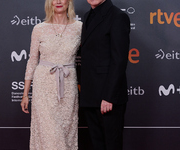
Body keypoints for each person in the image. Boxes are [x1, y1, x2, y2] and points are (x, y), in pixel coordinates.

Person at [20, 0, 82, 149]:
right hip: (43, 86)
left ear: (69, 2)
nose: (59, 1)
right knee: (49, 132)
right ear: (50, 3)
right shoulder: (39, 28)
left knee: (66, 131)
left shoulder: (80, 27)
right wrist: (25, 93)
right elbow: (33, 60)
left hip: (68, 85)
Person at [80, 0, 130, 149]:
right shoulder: (87, 16)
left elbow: (119, 61)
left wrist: (109, 97)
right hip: (89, 96)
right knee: (97, 145)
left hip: (108, 98)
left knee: (112, 145)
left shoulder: (118, 17)